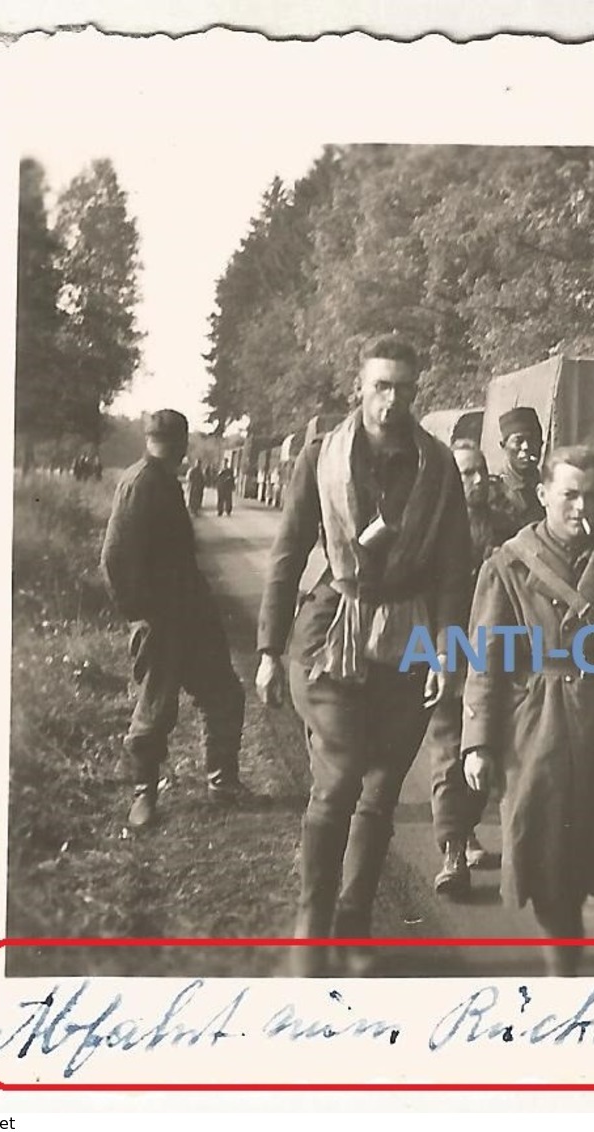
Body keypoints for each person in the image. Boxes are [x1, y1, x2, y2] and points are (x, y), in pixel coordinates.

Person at [255, 334, 473, 976]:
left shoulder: (438, 467)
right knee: (342, 774)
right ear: (360, 387)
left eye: (404, 388)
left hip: (407, 642)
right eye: (381, 386)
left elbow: (455, 571)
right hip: (331, 638)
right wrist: (270, 649)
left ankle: (352, 920)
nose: (392, 400)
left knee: (379, 792)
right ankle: (311, 922)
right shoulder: (323, 456)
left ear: (415, 393)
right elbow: (288, 554)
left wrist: (446, 651)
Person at [460, 446, 594, 976]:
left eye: (591, 495)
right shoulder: (507, 564)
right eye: (569, 494)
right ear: (543, 493)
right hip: (538, 723)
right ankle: (562, 967)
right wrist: (478, 741)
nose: (581, 507)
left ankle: (578, 949)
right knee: (545, 844)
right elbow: (486, 658)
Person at [99, 409, 247, 829]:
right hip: (162, 620)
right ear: (179, 446)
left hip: (191, 616)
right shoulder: (141, 483)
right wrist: (139, 615)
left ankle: (222, 783)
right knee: (155, 710)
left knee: (222, 694)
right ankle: (143, 795)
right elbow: (113, 558)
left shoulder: (160, 480)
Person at [426, 439, 509, 897]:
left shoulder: (504, 527)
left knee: (484, 748)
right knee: (448, 751)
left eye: (480, 473)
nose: (475, 483)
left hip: (495, 650)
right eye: (465, 474)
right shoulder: (432, 527)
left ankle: (466, 830)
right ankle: (452, 852)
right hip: (446, 645)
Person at [491, 405, 546, 533]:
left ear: (542, 444)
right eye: (518, 441)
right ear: (504, 446)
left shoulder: (550, 484)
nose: (526, 447)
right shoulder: (495, 492)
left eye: (533, 440)